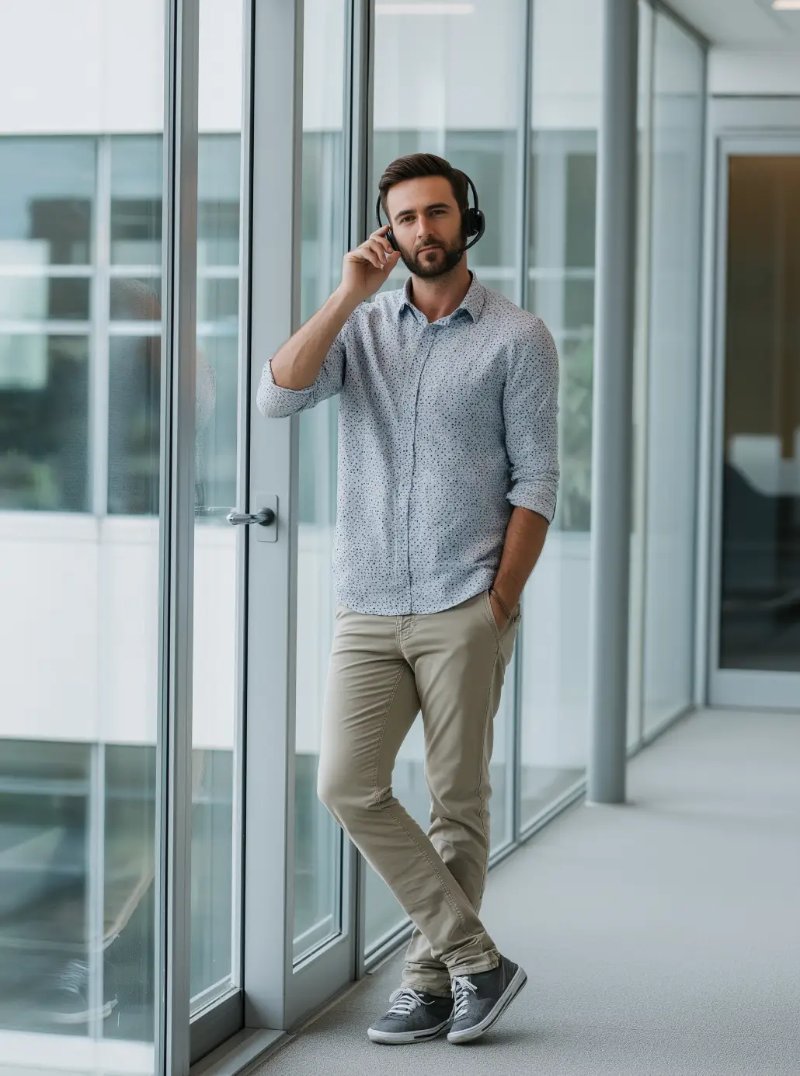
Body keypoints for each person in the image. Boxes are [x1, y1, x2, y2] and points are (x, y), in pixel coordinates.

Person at [257, 153, 559, 1046]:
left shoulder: (517, 337)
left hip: (463, 599)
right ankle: (475, 959)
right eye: (403, 219)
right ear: (384, 231)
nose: (421, 232)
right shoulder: (361, 330)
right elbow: (278, 396)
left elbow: (537, 483)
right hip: (369, 601)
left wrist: (498, 602)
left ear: (467, 219)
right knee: (348, 784)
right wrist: (346, 295)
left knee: (455, 799)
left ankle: (430, 982)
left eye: (435, 214)